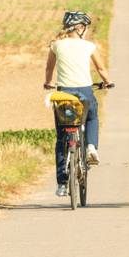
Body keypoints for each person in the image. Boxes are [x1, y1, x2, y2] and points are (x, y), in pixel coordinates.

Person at [44, 10, 113, 198]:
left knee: (61, 138)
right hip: (84, 92)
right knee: (92, 117)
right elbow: (101, 68)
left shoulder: (56, 45)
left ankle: (62, 184)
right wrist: (107, 82)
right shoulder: (88, 46)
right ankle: (91, 147)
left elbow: (49, 68)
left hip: (64, 94)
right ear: (80, 28)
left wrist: (48, 82)